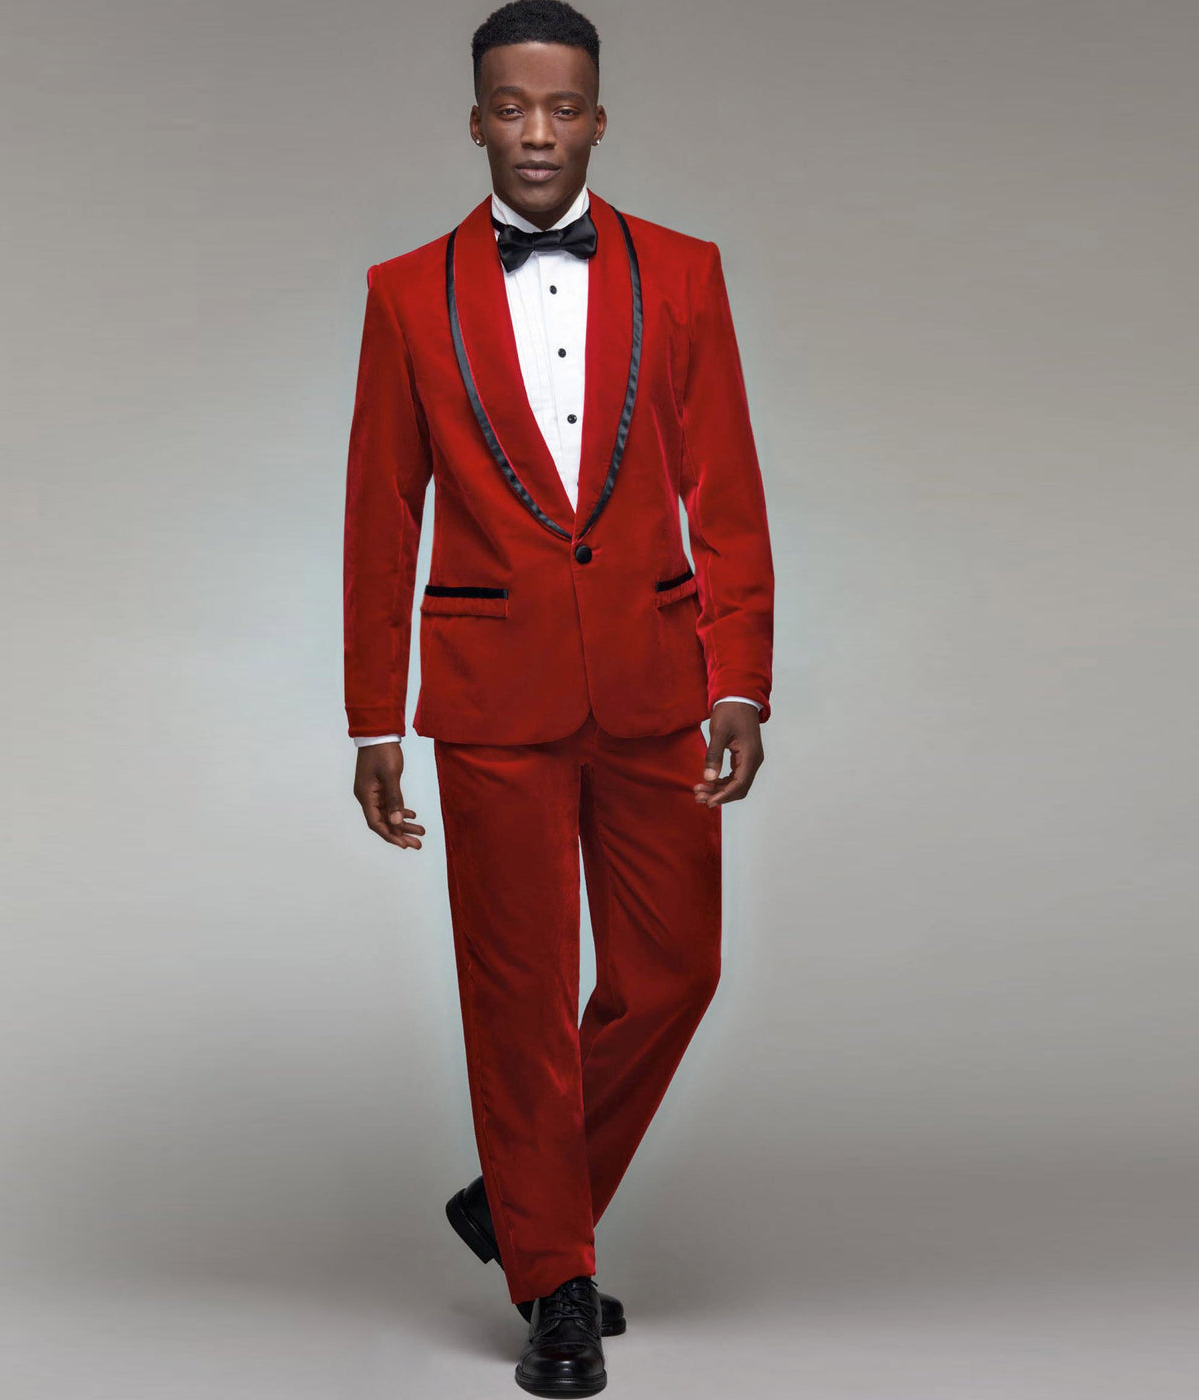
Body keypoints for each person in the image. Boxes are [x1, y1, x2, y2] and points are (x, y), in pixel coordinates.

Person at [342, 2, 774, 1392]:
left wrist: (742, 676)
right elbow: (380, 514)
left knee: (674, 971)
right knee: (518, 995)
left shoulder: (687, 273)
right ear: (475, 120)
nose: (538, 131)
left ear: (599, 117)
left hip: (655, 678)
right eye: (512, 107)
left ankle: (524, 1204)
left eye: (563, 105)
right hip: (489, 694)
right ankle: (558, 1286)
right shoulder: (405, 294)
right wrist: (373, 716)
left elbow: (725, 487)